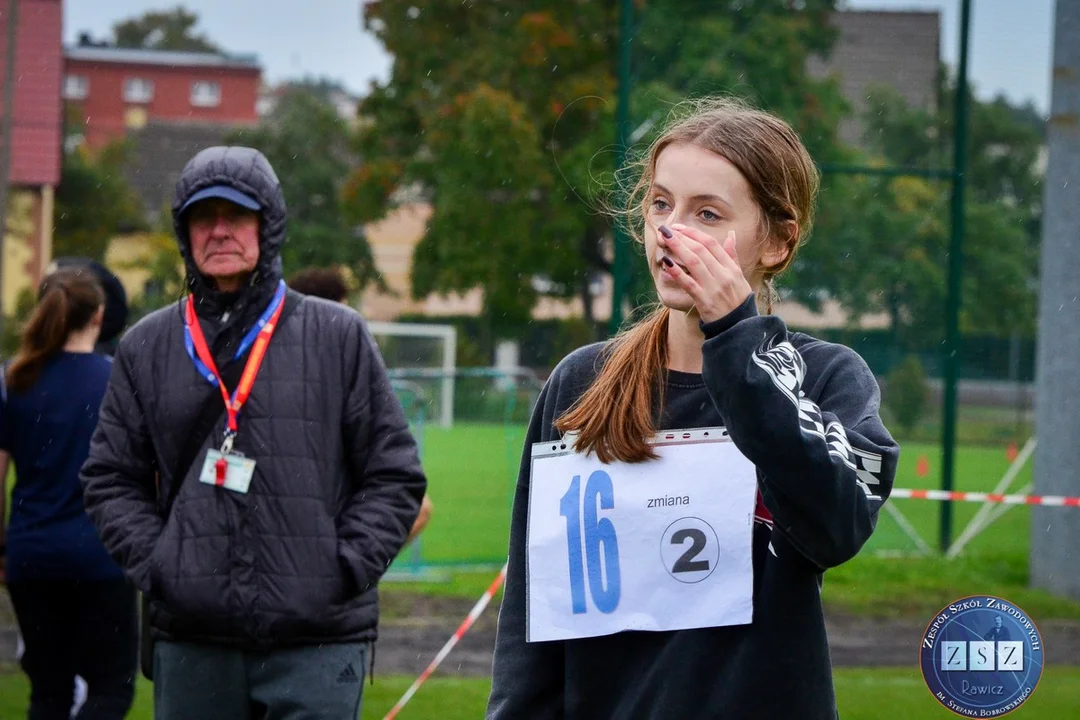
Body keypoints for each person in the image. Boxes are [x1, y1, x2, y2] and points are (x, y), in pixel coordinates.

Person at [486, 98, 900, 719]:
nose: (670, 231)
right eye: (660, 204)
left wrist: (737, 338)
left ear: (777, 243)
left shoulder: (826, 377)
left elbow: (836, 526)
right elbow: (532, 617)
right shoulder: (582, 381)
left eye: (707, 213)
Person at [80, 146, 427, 720]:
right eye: (202, 217)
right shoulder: (146, 346)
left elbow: (393, 474)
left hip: (317, 639)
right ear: (183, 231)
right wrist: (164, 566)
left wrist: (339, 568)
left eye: (236, 216)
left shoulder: (337, 335)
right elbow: (110, 479)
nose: (219, 231)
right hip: (192, 642)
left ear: (268, 226)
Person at [0, 267, 138, 719]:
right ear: (99, 316)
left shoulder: (15, 381)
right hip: (100, 554)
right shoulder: (118, 381)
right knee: (110, 687)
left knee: (49, 692)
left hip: (32, 554)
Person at [287, 265, 434, 544]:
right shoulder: (306, 367)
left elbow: (402, 481)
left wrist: (360, 565)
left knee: (418, 508)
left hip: (338, 520)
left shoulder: (345, 358)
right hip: (313, 514)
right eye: (342, 306)